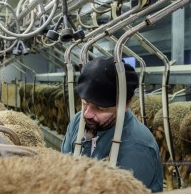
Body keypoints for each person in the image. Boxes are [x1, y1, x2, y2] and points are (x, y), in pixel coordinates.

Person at [61, 56, 163, 192]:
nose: (87, 114)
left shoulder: (137, 149)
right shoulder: (78, 122)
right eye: (85, 103)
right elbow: (63, 168)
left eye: (100, 108)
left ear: (126, 104)